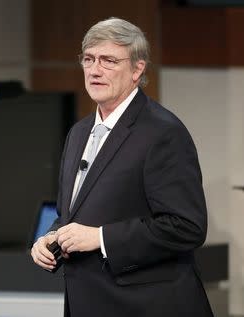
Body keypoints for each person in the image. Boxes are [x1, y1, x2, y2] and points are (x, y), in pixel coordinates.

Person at [30, 17, 213, 317]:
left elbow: (186, 226)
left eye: (109, 60)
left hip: (146, 307)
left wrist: (100, 238)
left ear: (137, 69)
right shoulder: (79, 132)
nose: (95, 70)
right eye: (88, 59)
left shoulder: (162, 132)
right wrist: (51, 237)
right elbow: (74, 214)